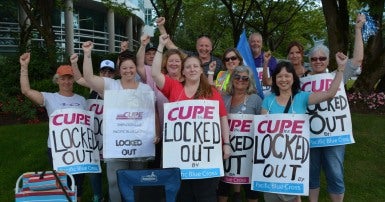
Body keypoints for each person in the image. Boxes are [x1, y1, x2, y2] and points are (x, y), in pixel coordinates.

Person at [152, 33, 231, 201]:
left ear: (201, 70)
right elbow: (154, 74)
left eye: (196, 66)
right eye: (188, 67)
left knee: (206, 195)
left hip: (207, 156)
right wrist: (160, 46)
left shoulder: (212, 92)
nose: (192, 69)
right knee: (183, 195)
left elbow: (223, 117)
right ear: (183, 71)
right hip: (179, 156)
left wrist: (226, 143)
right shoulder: (173, 87)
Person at [261, 52, 348, 202]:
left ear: (293, 78)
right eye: (279, 76)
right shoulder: (268, 101)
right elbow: (262, 131)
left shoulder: (302, 97)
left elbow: (330, 93)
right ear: (274, 79)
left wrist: (340, 69)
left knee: (294, 192)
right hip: (273, 158)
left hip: (294, 156)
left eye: (287, 76)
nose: (283, 79)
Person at [81, 41, 158, 202]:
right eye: (124, 68)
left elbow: (153, 112)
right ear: (119, 70)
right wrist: (87, 55)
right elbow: (88, 77)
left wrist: (156, 131)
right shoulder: (111, 85)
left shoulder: (145, 89)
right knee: (114, 181)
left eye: (131, 67)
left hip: (140, 143)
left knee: (138, 181)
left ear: (135, 68)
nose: (128, 70)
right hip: (116, 144)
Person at [307, 13, 365, 202]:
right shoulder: (302, 81)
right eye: (314, 59)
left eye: (322, 58)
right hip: (311, 136)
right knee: (311, 173)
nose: (318, 61)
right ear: (309, 61)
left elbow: (356, 60)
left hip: (334, 136)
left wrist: (357, 29)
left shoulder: (337, 74)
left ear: (328, 59)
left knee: (335, 173)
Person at [20, 53, 86, 202]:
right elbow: (26, 91)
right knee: (62, 183)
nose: (66, 81)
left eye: (69, 78)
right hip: (58, 149)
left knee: (78, 184)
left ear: (74, 80)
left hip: (79, 149)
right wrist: (24, 67)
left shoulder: (82, 100)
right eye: (63, 78)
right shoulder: (50, 98)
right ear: (57, 80)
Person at [70, 55, 116, 202]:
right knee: (94, 165)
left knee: (112, 167)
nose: (107, 75)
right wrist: (74, 63)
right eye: (104, 72)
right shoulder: (93, 85)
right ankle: (98, 195)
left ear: (114, 74)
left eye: (110, 72)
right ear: (99, 73)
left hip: (111, 135)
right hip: (94, 133)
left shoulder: (116, 87)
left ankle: (112, 193)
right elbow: (78, 78)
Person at [217, 66, 262, 202]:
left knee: (250, 189)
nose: (240, 80)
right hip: (226, 149)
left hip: (248, 151)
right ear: (232, 79)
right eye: (237, 77)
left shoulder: (255, 99)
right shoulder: (224, 98)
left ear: (249, 81)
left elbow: (262, 126)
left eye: (245, 78)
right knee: (223, 187)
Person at [156, 17, 223, 78]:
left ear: (211, 47)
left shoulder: (218, 63)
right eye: (201, 45)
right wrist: (161, 26)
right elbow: (170, 46)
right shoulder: (189, 56)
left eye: (207, 46)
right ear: (196, 47)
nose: (204, 49)